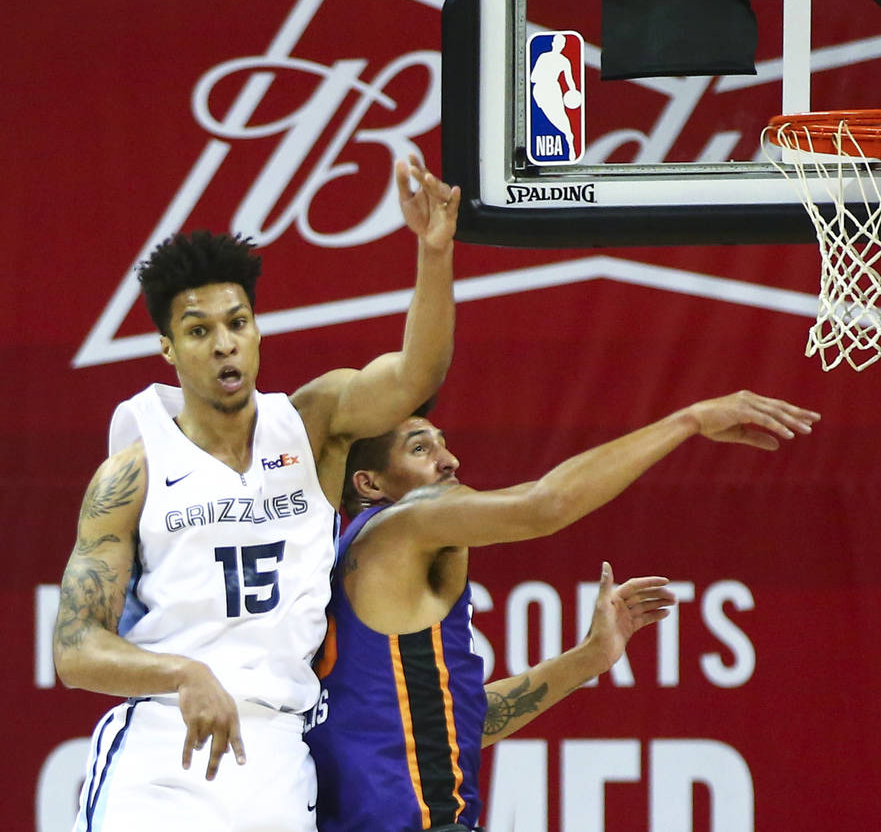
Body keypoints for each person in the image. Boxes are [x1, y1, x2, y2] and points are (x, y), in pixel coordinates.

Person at [53, 157, 460, 832]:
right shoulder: (132, 471)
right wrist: (183, 674)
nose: (223, 345)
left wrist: (434, 253)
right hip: (161, 741)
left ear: (257, 328)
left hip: (273, 749)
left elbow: (416, 375)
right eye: (198, 330)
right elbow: (74, 651)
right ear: (166, 347)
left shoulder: (310, 425)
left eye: (236, 322)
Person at [306, 390, 820, 832]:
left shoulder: (349, 570)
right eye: (421, 448)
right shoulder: (401, 524)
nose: (449, 460)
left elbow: (456, 722)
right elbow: (544, 505)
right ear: (369, 485)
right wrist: (688, 420)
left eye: (443, 442)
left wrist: (590, 658)